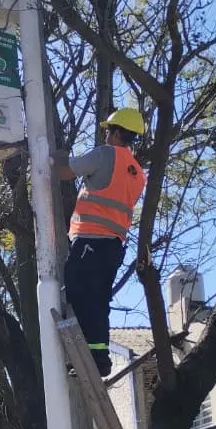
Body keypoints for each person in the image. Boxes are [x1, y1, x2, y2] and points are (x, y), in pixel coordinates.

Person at [56, 108, 146, 377]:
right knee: (97, 299)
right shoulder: (138, 173)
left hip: (91, 239)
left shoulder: (106, 154)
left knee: (76, 289)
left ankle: (94, 355)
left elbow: (65, 171)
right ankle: (99, 355)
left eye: (109, 131)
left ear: (118, 133)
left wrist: (51, 156)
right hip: (114, 246)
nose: (106, 135)